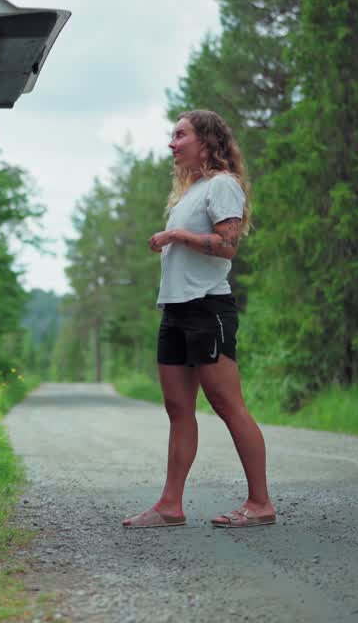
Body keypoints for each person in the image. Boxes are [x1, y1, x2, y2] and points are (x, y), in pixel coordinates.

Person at [121, 110, 276, 530]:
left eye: (180, 135)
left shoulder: (223, 185)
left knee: (227, 405)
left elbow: (228, 246)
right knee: (178, 409)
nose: (172, 144)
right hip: (175, 309)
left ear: (206, 141)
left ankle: (260, 503)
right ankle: (170, 505)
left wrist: (176, 236)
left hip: (208, 308)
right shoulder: (191, 191)